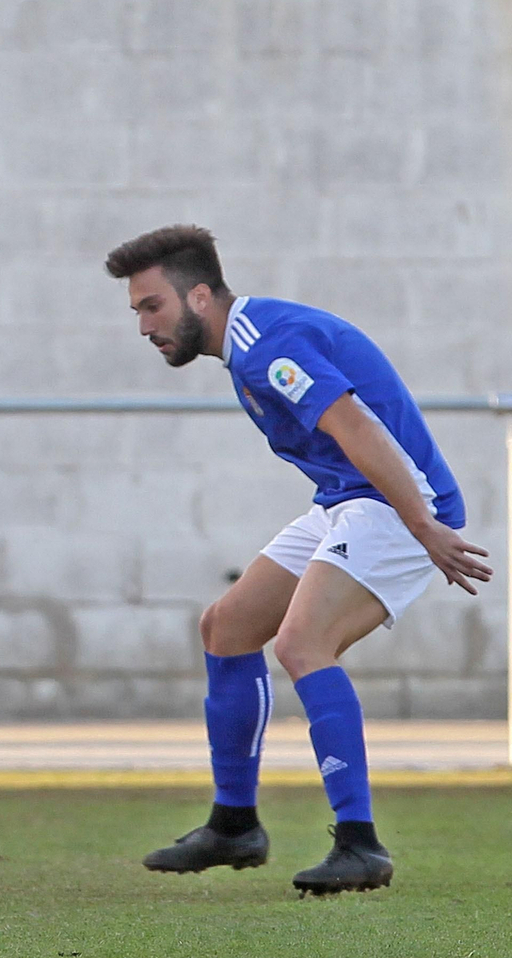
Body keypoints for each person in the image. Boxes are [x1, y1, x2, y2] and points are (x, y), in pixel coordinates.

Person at [105, 225, 491, 896]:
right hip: (349, 501)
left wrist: (422, 526)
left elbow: (357, 428)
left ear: (199, 297)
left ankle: (360, 842)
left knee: (303, 644)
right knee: (226, 627)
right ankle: (234, 825)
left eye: (151, 306)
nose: (143, 327)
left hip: (396, 502)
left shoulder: (265, 346)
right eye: (136, 310)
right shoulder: (250, 348)